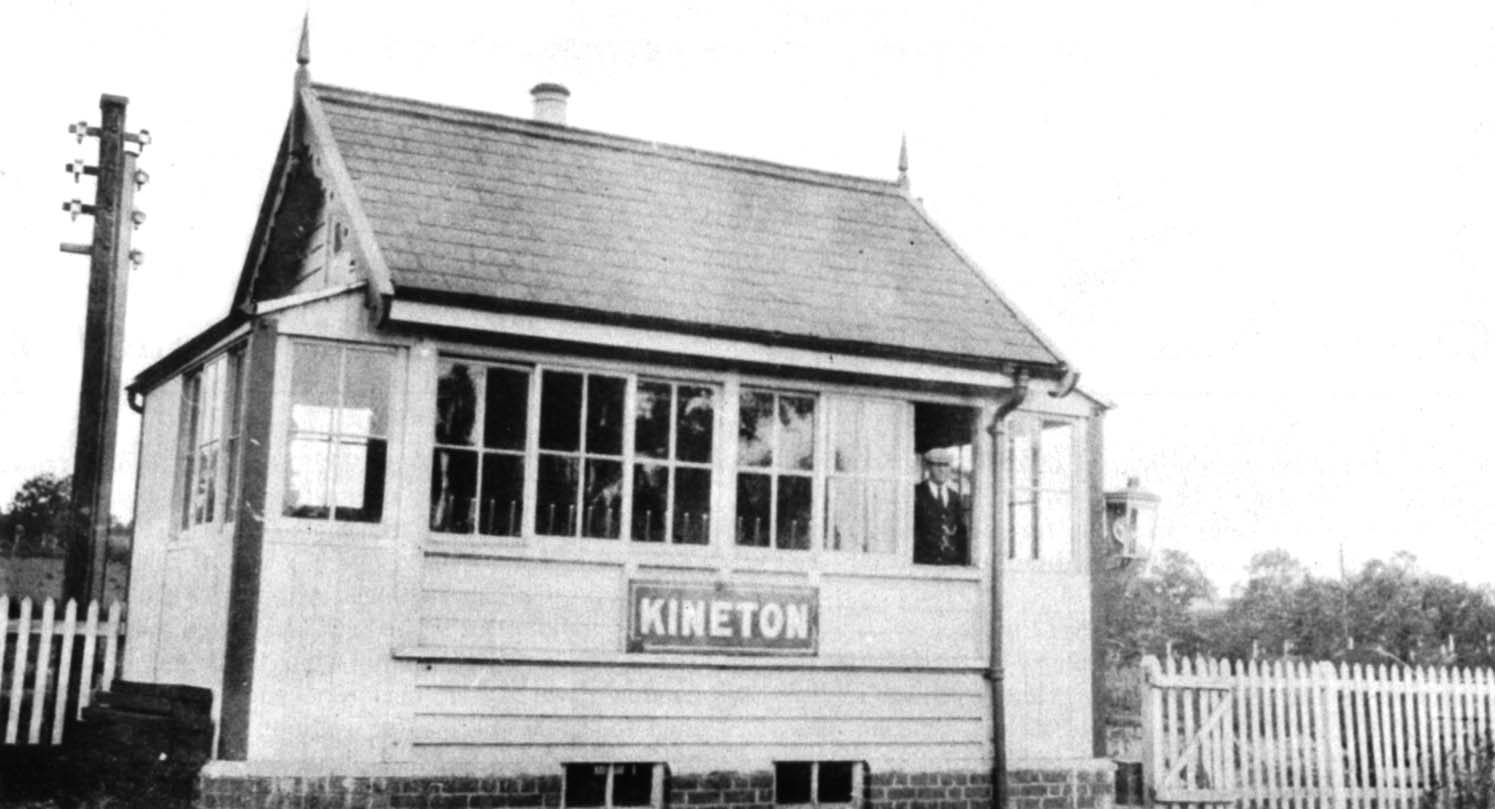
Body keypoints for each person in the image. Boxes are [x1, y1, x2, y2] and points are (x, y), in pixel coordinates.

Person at [914, 447, 968, 565]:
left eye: (945, 465)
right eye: (937, 465)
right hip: (922, 563)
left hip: (951, 563)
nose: (942, 470)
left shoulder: (954, 497)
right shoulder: (916, 493)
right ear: (928, 467)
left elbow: (961, 532)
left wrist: (961, 561)